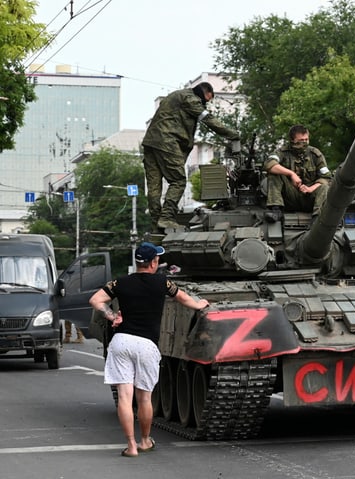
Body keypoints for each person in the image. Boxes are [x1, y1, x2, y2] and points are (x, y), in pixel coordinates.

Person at [89, 241, 209, 457]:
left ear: (137, 263)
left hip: (122, 341)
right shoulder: (162, 283)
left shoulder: (120, 283)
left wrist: (111, 315)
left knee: (125, 398)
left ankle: (131, 445)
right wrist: (200, 305)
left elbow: (96, 300)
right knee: (144, 398)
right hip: (146, 345)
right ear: (154, 262)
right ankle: (145, 440)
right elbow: (183, 298)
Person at [142, 82, 240, 232]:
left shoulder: (177, 96)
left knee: (154, 186)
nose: (206, 103)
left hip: (151, 142)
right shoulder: (191, 98)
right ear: (205, 91)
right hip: (167, 140)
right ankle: (166, 218)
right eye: (208, 99)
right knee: (178, 180)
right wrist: (232, 134)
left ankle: (157, 223)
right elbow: (208, 119)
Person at [263, 124, 332, 223]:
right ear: (292, 140)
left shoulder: (315, 154)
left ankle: (317, 218)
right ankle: (276, 210)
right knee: (274, 173)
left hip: (310, 198)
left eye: (306, 140)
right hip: (290, 197)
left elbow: (326, 178)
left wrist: (310, 189)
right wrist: (291, 174)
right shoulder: (282, 152)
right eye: (301, 140)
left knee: (324, 187)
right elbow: (269, 164)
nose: (304, 143)